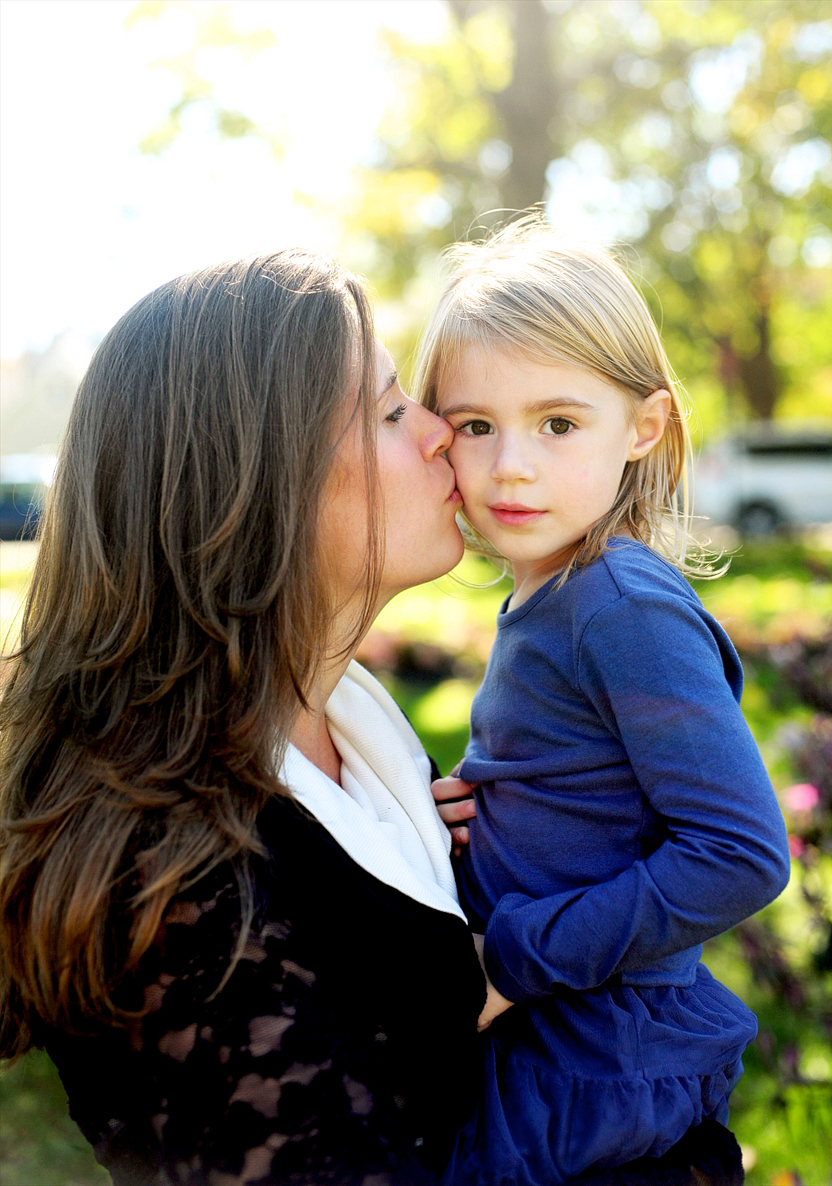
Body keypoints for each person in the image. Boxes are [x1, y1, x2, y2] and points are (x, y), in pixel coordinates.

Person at [0, 249, 488, 1185]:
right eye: (390, 411)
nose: (441, 432)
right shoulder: (171, 882)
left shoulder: (359, 742)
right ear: (267, 482)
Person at [418, 218, 792, 1185]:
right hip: (560, 1031)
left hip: (597, 1052)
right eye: (474, 426)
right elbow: (592, 785)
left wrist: (510, 959)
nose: (511, 466)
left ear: (644, 427)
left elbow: (739, 854)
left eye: (557, 423)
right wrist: (490, 810)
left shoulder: (618, 604)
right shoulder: (551, 593)